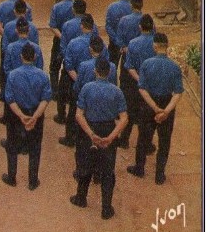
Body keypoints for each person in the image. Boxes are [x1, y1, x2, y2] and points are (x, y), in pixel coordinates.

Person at [70, 57, 128, 220]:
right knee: (108, 171)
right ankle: (106, 208)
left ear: (95, 71)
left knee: (85, 166)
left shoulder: (87, 88)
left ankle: (81, 198)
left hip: (89, 130)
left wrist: (91, 134)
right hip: (109, 128)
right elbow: (124, 118)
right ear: (109, 72)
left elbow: (79, 114)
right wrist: (111, 137)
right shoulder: (117, 91)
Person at [127, 33, 184, 185]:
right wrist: (166, 111)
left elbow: (142, 89)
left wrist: (155, 108)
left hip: (149, 103)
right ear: (167, 45)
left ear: (155, 46)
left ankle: (139, 168)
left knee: (143, 138)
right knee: (164, 141)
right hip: (167, 103)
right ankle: (159, 174)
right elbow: (178, 92)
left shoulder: (146, 64)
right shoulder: (175, 67)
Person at [1, 43, 52, 191]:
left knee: (12, 144)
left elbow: (9, 99)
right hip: (36, 112)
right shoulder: (43, 76)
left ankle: (12, 177)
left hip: (16, 114)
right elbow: (46, 99)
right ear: (35, 57)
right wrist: (35, 116)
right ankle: (32, 181)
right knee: (35, 147)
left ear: (21, 56)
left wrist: (21, 116)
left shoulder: (13, 75)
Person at [59, 14, 105, 148]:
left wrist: (80, 82)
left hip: (79, 82)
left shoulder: (73, 43)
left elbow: (68, 65)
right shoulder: (102, 45)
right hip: (98, 85)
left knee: (74, 110)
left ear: (82, 26)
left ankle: (70, 138)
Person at [56, 0, 98, 126]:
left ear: (73, 9)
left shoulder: (68, 25)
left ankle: (61, 115)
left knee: (63, 92)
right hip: (90, 72)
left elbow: (63, 47)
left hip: (71, 70)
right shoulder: (94, 28)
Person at [118, 13, 155, 149]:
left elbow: (128, 66)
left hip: (135, 82)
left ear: (140, 27)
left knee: (130, 110)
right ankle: (147, 143)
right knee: (148, 115)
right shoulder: (156, 43)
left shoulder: (133, 43)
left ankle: (124, 140)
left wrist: (139, 79)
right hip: (151, 83)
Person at [0, 0, 33, 101]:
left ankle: (4, 93)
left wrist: (6, 34)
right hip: (25, 41)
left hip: (7, 40)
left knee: (5, 67)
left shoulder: (1, 5)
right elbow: (29, 24)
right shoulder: (27, 6)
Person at [48, 0, 76, 107]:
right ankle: (69, 93)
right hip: (74, 42)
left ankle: (54, 92)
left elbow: (53, 26)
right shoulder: (77, 7)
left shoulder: (56, 7)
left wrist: (62, 37)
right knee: (71, 68)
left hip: (59, 41)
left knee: (54, 67)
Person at [105, 0, 132, 66]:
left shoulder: (111, 7)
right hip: (129, 45)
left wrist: (117, 41)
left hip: (114, 44)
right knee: (127, 72)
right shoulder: (133, 8)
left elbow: (108, 26)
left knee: (111, 67)